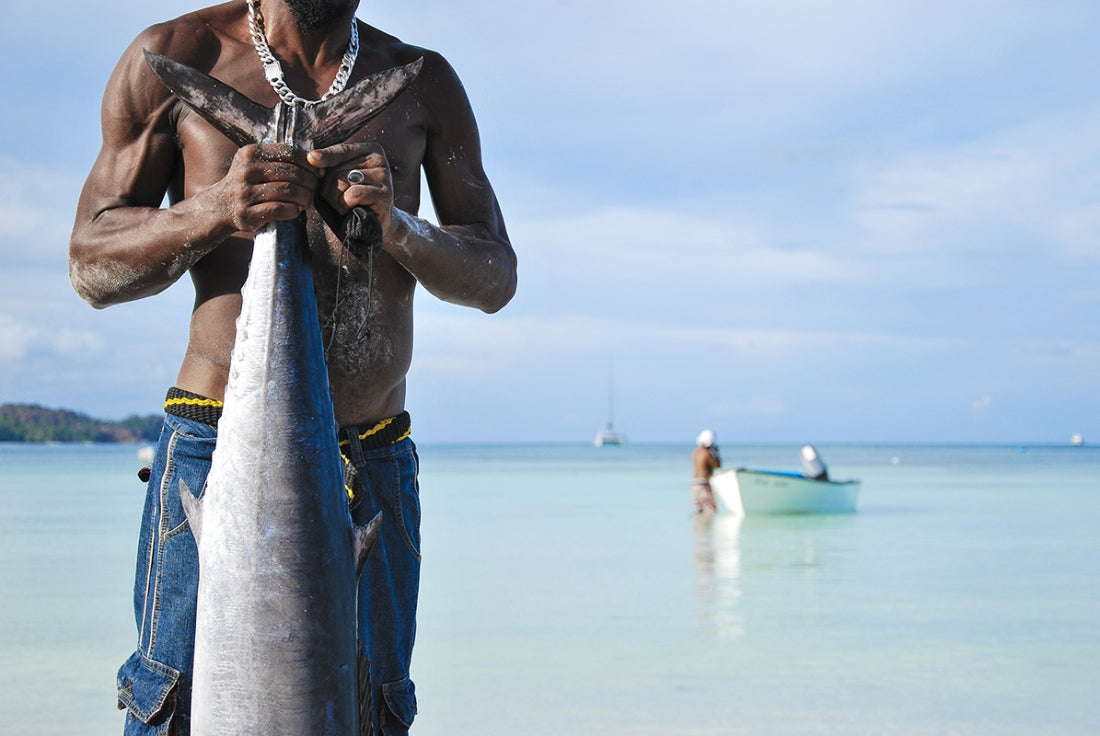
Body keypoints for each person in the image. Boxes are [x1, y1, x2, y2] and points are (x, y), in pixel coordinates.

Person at [68, 1, 517, 734]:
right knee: (178, 708)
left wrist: (396, 225)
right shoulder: (176, 55)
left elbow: (494, 275)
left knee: (366, 713)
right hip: (218, 449)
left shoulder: (422, 83)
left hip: (369, 453)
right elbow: (91, 266)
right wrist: (217, 209)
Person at [691, 429, 721, 514]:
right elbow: (717, 465)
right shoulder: (707, 453)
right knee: (711, 511)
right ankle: (709, 527)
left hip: (694, 484)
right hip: (704, 484)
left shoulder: (695, 452)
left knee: (699, 512)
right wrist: (716, 453)